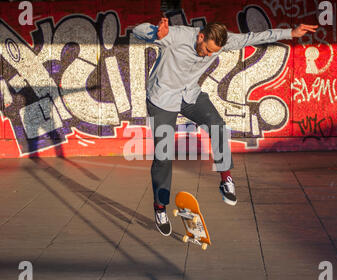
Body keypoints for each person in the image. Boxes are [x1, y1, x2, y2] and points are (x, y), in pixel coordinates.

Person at [133, 18, 317, 236]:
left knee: (217, 125)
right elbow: (137, 30)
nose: (209, 55)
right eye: (207, 50)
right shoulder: (176, 35)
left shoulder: (222, 41)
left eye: (214, 52)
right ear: (201, 37)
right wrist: (155, 34)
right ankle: (160, 207)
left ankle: (225, 179)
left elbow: (253, 37)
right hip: (162, 98)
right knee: (163, 155)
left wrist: (290, 33)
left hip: (189, 95)